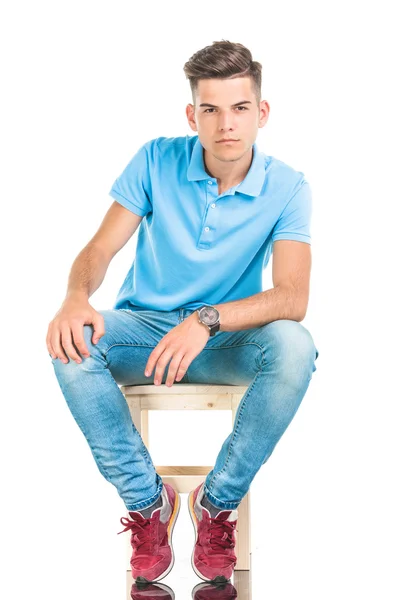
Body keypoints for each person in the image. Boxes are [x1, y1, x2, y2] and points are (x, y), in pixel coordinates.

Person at [46, 39, 319, 585]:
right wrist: (75, 297)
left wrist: (208, 318)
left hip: (224, 339)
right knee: (73, 345)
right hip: (145, 333)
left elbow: (292, 297)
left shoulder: (288, 186)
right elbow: (99, 249)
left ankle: (216, 504)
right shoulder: (155, 159)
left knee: (296, 345)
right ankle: (149, 503)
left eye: (240, 108)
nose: (226, 125)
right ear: (192, 115)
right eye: (212, 110)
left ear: (261, 113)